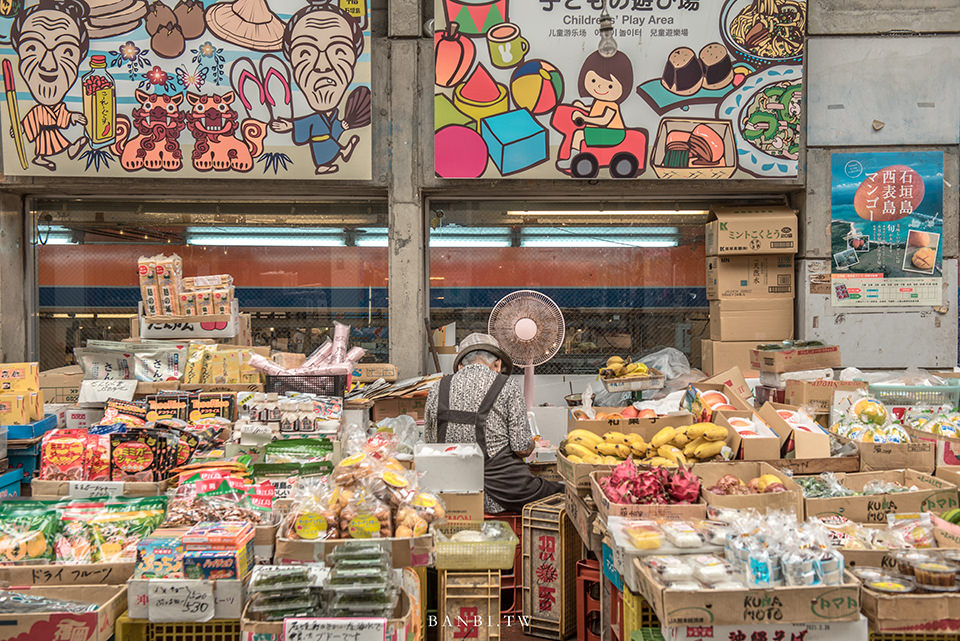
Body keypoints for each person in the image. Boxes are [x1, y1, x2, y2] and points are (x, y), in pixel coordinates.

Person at [424, 333, 564, 514]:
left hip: (449, 491)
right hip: (502, 492)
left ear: (460, 365)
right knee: (561, 493)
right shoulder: (508, 386)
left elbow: (430, 442)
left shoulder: (437, 388)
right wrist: (532, 443)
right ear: (497, 364)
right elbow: (521, 447)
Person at [271, 0, 361, 175]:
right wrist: (289, 126)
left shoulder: (331, 116)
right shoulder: (318, 118)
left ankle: (337, 155)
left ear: (354, 59)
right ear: (290, 62)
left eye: (339, 51)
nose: (323, 65)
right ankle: (338, 154)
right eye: (305, 53)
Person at [10, 0, 89, 170]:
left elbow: (62, 116)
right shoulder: (37, 111)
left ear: (80, 59)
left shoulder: (54, 108)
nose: (49, 65)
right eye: (32, 48)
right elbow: (32, 120)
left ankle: (61, 151)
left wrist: (73, 117)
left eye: (66, 51)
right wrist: (20, 128)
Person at [557, 50, 633, 171]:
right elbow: (594, 111)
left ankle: (572, 159)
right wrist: (581, 107)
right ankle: (573, 158)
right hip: (605, 131)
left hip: (614, 133)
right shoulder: (599, 101)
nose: (599, 87)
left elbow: (604, 120)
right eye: (593, 81)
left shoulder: (612, 105)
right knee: (579, 132)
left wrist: (584, 118)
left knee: (579, 134)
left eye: (610, 86)